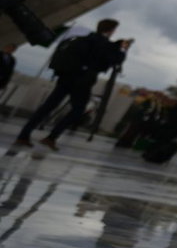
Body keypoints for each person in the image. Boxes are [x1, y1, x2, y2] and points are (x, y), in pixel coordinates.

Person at [11, 19, 127, 151]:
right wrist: (122, 49)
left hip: (67, 76)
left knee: (48, 107)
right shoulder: (103, 43)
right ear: (110, 30)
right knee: (78, 110)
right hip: (82, 81)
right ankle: (52, 137)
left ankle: (24, 135)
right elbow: (115, 60)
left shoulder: (87, 38)